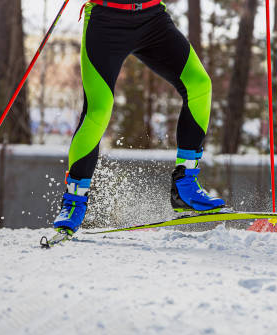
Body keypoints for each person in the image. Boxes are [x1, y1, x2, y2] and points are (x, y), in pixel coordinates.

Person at [54, 0, 225, 235]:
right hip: (106, 21)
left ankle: (185, 184)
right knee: (99, 108)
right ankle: (74, 200)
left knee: (199, 85)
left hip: (152, 18)